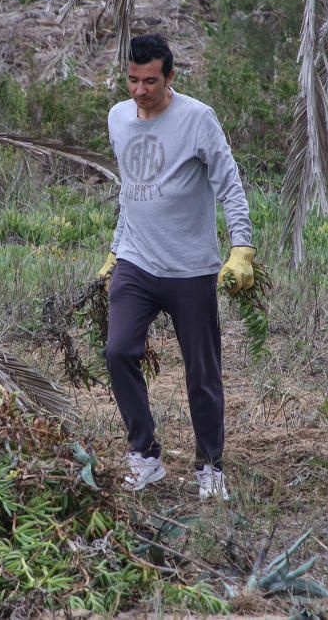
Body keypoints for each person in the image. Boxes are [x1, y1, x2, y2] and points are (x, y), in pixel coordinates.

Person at [96, 34, 254, 500]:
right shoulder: (118, 119)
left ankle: (210, 468)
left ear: (169, 77)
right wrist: (115, 250)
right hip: (137, 263)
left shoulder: (197, 119)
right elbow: (131, 190)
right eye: (132, 80)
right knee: (118, 351)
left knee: (202, 373)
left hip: (190, 270)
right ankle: (144, 457)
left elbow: (229, 185)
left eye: (150, 81)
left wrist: (241, 247)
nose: (140, 90)